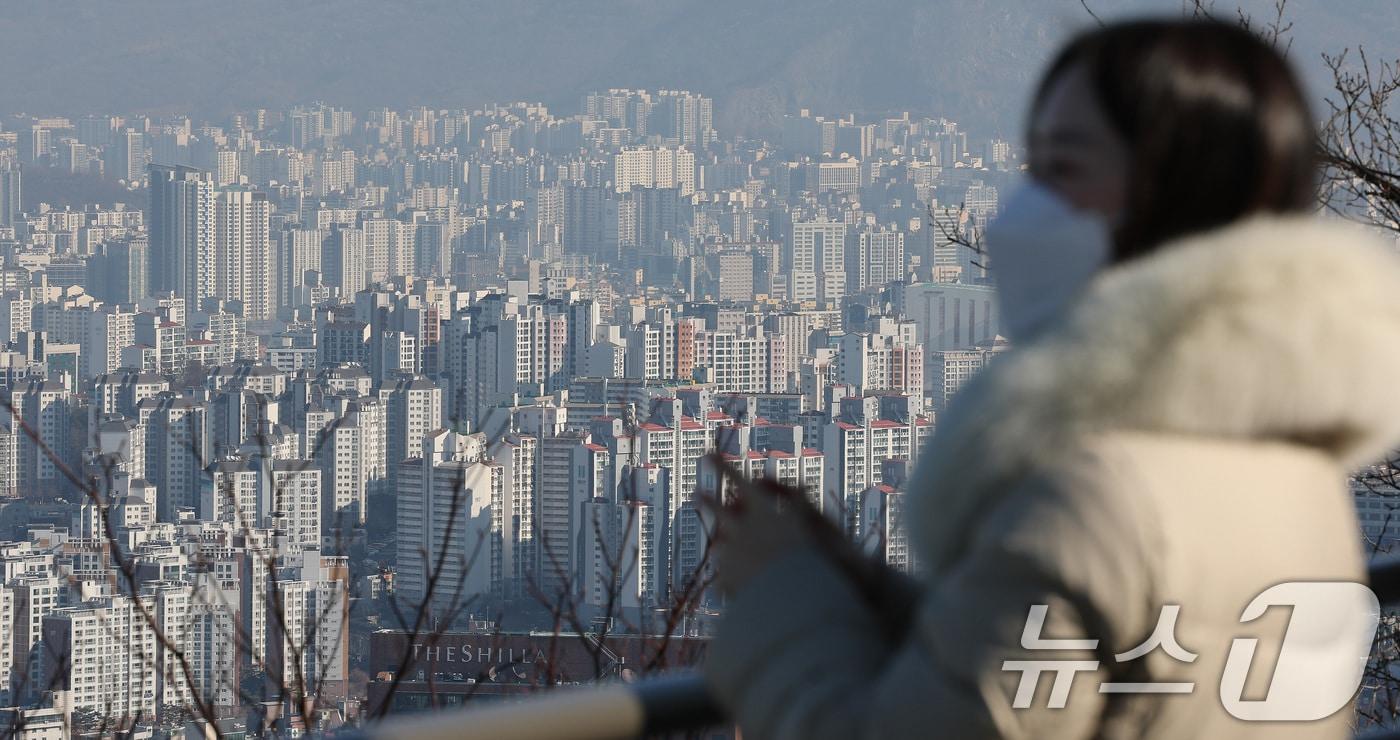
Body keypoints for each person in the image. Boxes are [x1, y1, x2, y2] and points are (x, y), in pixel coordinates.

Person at [702, 19, 1400, 740]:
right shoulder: (1306, 483)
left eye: (1061, 168)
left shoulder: (1091, 501)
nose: (1017, 211)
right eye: (1031, 167)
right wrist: (862, 589)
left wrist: (780, 593)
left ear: (1177, 189)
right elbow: (1092, 684)